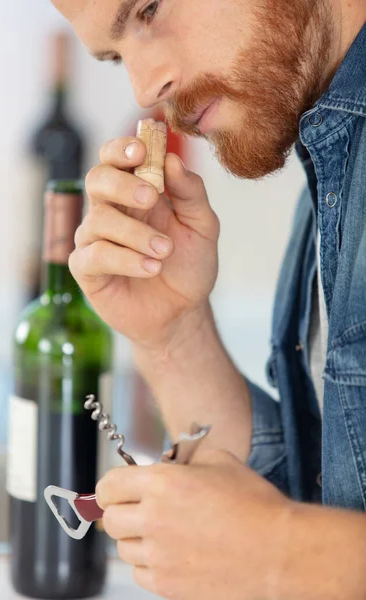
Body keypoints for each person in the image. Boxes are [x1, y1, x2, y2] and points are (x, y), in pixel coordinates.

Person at [52, 1, 366, 598]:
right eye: (116, 56)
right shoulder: (336, 150)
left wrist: (279, 552)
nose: (147, 86)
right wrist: (172, 335)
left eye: (148, 7)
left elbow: (290, 540)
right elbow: (320, 502)